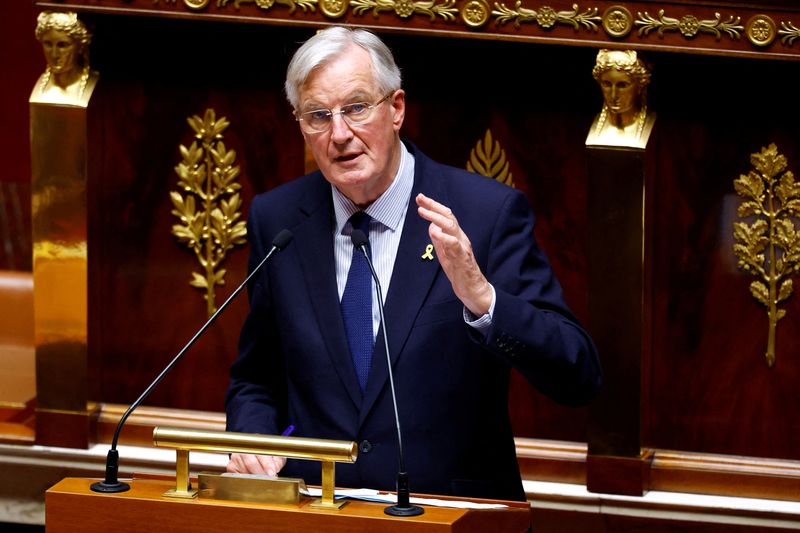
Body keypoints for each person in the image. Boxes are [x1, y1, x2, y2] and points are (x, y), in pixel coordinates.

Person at [225, 25, 602, 502]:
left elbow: (578, 374)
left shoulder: (485, 215)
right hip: (316, 509)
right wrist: (252, 438)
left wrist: (484, 300)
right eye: (318, 116)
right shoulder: (278, 220)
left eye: (357, 107)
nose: (339, 134)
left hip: (450, 511)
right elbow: (257, 377)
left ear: (397, 108)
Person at [586, 49, 654, 148]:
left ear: (640, 86)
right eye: (607, 84)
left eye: (622, 85)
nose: (613, 95)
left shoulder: (654, 127)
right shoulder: (587, 125)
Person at [31, 11, 98, 106]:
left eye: (62, 45)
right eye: (48, 44)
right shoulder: (40, 88)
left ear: (81, 47)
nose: (54, 54)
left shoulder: (93, 82)